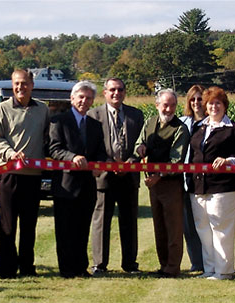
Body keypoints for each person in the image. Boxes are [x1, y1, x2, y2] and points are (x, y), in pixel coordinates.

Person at [0, 69, 49, 279]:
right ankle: (7, 270)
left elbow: (47, 139)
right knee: (7, 224)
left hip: (32, 175)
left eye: (24, 83)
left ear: (32, 85)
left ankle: (27, 267)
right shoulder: (2, 109)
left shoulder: (42, 109)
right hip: (8, 174)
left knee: (29, 224)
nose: (20, 87)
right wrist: (11, 153)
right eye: (16, 84)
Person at [49, 81, 107, 278]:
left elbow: (101, 150)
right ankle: (66, 269)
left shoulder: (95, 125)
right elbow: (54, 148)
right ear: (72, 98)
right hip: (65, 185)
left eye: (88, 98)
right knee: (65, 229)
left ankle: (81, 267)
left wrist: (99, 164)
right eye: (81, 97)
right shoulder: (59, 121)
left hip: (88, 185)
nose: (84, 101)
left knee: (83, 229)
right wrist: (71, 157)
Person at [88, 78, 144, 275]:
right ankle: (99, 264)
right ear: (105, 92)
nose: (116, 93)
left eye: (120, 89)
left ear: (124, 92)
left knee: (129, 222)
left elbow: (141, 143)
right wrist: (108, 164)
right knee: (101, 221)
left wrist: (132, 161)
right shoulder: (93, 115)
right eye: (112, 90)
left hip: (129, 177)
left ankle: (130, 264)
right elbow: (92, 147)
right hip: (104, 176)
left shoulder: (136, 115)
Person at [188, 86, 235, 280]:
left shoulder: (233, 129)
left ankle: (224, 271)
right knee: (203, 229)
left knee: (221, 229)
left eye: (218, 103)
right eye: (210, 103)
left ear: (224, 106)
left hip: (224, 187)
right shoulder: (199, 127)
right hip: (198, 186)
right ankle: (210, 269)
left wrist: (228, 160)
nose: (214, 107)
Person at [134, 88, 189, 278]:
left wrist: (159, 175)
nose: (169, 109)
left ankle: (173, 267)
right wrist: (140, 148)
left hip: (170, 184)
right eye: (166, 105)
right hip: (153, 184)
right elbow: (139, 144)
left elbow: (176, 159)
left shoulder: (180, 128)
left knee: (173, 227)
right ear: (157, 105)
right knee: (159, 226)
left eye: (173, 105)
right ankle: (163, 264)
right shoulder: (149, 123)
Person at [180, 85, 205, 272]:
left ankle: (210, 261)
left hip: (206, 181)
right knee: (188, 226)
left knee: (205, 224)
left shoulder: (214, 122)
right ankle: (196, 262)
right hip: (185, 180)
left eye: (200, 98)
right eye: (193, 99)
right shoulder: (182, 123)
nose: (197, 102)